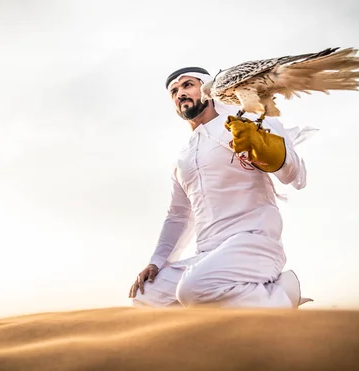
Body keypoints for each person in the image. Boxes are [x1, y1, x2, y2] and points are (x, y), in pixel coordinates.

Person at [128, 67, 313, 309]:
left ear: (208, 90)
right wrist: (157, 262)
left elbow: (295, 175)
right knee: (145, 297)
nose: (180, 93)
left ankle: (283, 296)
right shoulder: (183, 160)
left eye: (187, 85)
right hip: (209, 256)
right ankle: (221, 324)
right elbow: (178, 216)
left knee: (193, 289)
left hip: (255, 244)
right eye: (174, 91)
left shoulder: (243, 125)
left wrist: (266, 148)